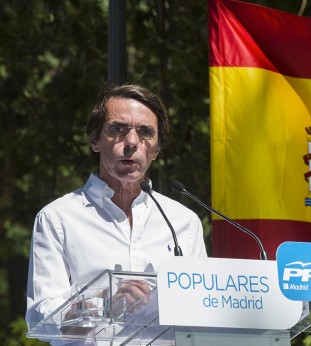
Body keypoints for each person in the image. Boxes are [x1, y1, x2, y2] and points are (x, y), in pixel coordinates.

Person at [25, 83, 208, 333]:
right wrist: (101, 306)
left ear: (156, 150)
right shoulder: (58, 218)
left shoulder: (183, 222)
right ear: (94, 140)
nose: (132, 142)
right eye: (118, 129)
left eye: (145, 132)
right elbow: (39, 318)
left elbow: (202, 312)